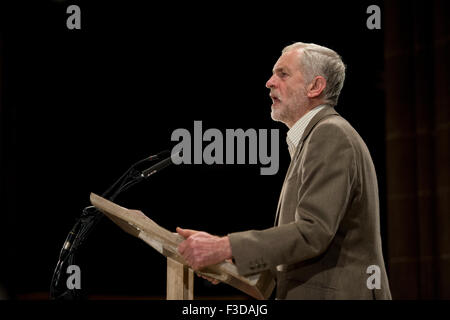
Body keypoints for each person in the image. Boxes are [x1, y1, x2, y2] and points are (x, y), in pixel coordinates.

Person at [177, 42, 392, 299]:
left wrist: (224, 246)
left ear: (315, 86)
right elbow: (299, 256)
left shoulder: (330, 133)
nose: (269, 82)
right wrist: (227, 262)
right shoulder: (315, 137)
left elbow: (313, 232)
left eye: (283, 74)